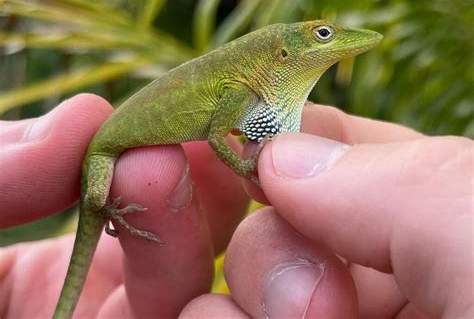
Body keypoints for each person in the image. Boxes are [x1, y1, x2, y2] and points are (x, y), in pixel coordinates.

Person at [1, 94, 472, 318]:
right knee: (108, 195)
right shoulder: (238, 82)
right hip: (103, 160)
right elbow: (214, 135)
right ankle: (106, 210)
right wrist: (245, 168)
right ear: (281, 53)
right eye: (323, 36)